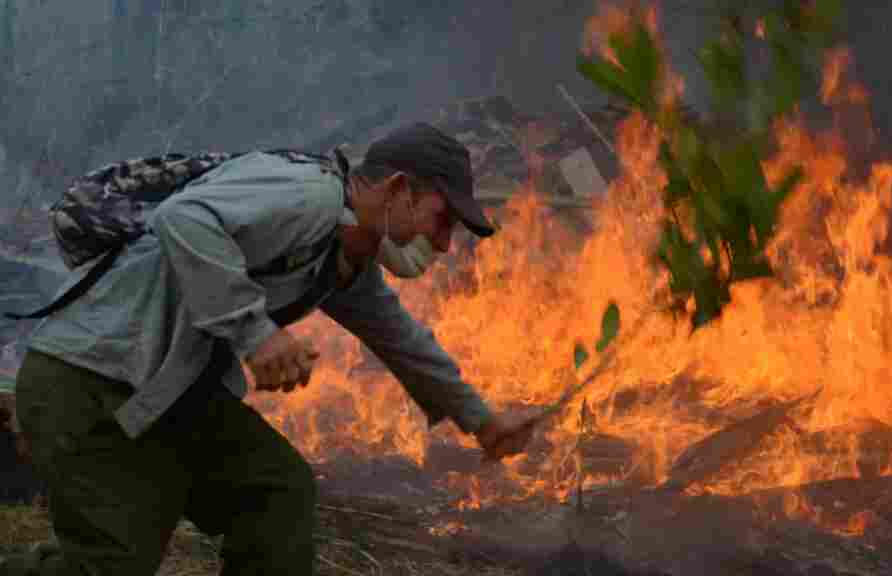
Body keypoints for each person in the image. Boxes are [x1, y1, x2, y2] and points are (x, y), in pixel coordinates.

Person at [1, 123, 532, 575]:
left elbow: (402, 340)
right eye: (442, 221)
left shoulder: (346, 258)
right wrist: (256, 334)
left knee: (276, 495)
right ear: (399, 190)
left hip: (169, 396)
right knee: (112, 565)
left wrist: (479, 420)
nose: (442, 244)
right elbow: (183, 220)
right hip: (88, 382)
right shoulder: (309, 195)